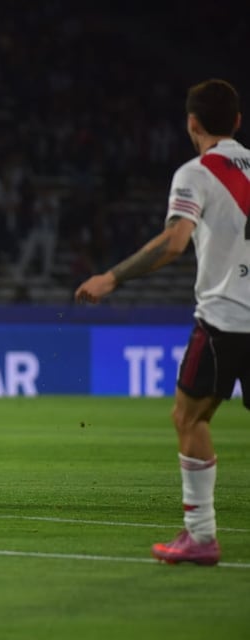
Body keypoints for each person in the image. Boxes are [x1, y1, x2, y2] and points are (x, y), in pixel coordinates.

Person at [75, 79, 249, 566]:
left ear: (192, 123)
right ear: (237, 121)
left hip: (224, 318)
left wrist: (111, 277)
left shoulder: (196, 173)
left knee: (189, 418)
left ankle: (201, 536)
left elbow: (175, 242)